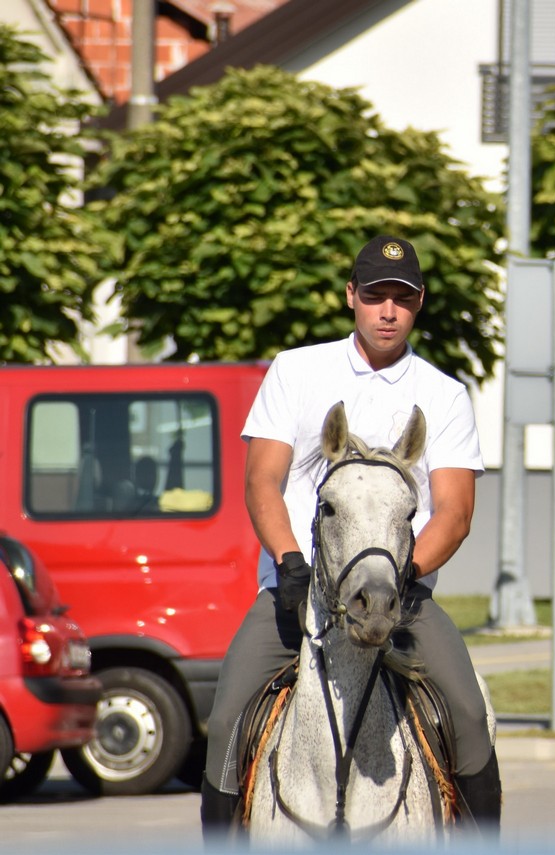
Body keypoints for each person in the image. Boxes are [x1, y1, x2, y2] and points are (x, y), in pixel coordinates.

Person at [199, 235, 501, 839]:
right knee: (227, 718)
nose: (388, 311)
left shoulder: (443, 395)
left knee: (468, 715)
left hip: (399, 597)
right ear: (351, 297)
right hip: (295, 595)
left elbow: (455, 512)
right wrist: (289, 564)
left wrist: (403, 578)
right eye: (375, 296)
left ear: (418, 306)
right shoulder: (296, 369)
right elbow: (262, 480)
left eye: (402, 299)